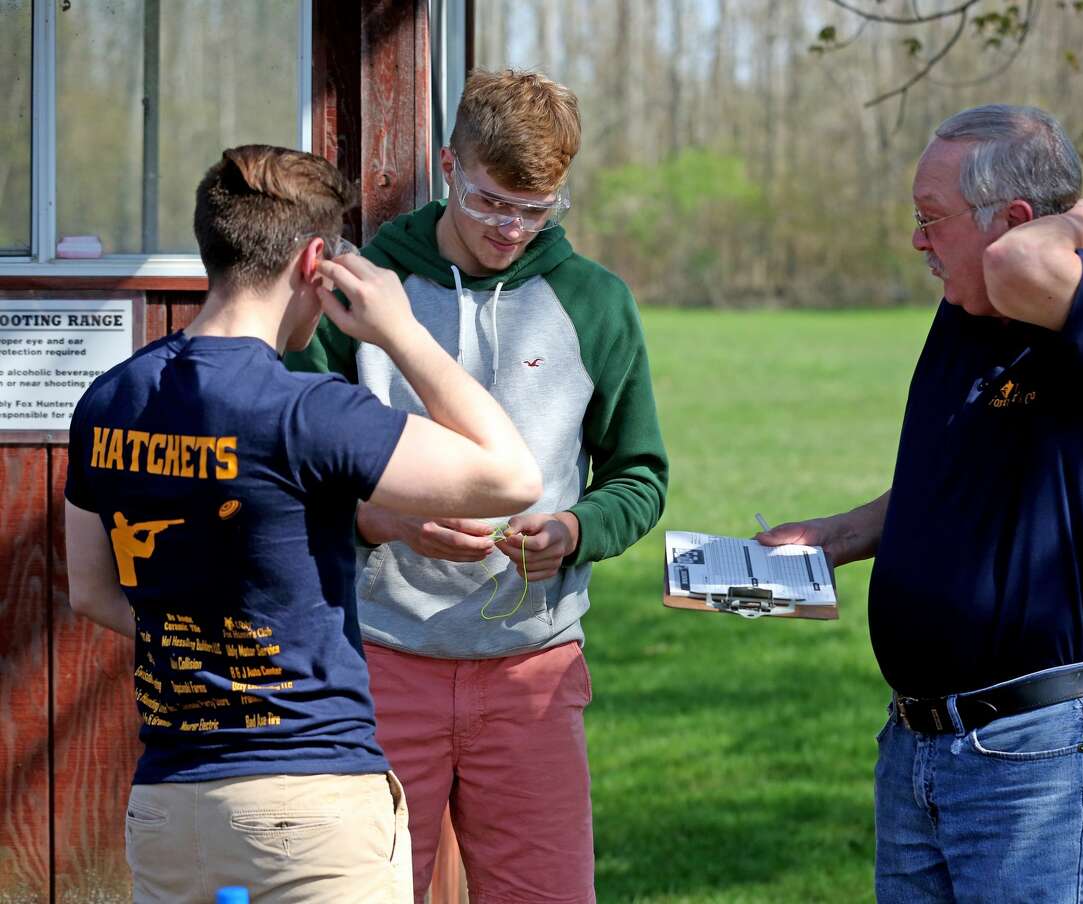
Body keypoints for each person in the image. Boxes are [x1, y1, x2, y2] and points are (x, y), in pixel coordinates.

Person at [64, 144, 542, 904]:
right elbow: (510, 476)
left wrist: (201, 642)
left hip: (168, 806)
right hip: (308, 804)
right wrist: (399, 331)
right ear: (316, 261)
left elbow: (90, 591)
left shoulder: (111, 399)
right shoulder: (307, 409)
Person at [758, 105, 1083, 902]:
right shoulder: (965, 317)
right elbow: (945, 483)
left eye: (931, 219)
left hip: (1033, 760)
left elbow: (1024, 262)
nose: (918, 240)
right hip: (915, 746)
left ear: (1018, 222)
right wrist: (830, 537)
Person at [286, 69, 668, 901]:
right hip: (378, 661)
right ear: (449, 162)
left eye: (538, 210)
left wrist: (574, 531)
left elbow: (640, 475)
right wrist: (383, 519)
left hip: (534, 667)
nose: (513, 229)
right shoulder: (365, 290)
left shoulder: (595, 302)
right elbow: (294, 469)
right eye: (494, 201)